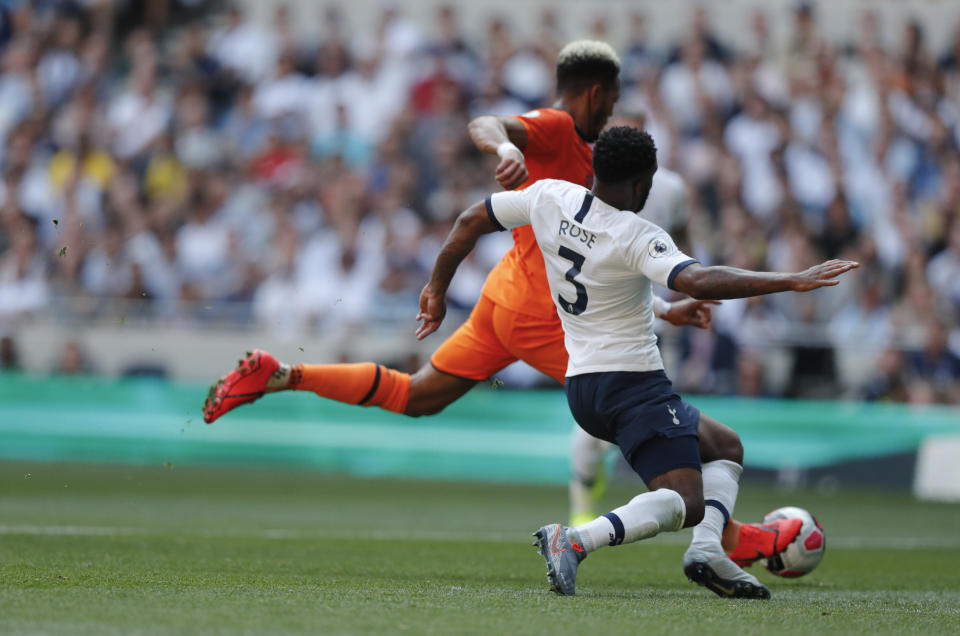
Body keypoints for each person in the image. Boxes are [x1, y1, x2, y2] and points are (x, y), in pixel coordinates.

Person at [201, 40, 791, 567]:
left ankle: (283, 375)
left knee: (418, 395)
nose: (612, 110)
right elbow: (486, 123)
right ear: (595, 94)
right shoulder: (561, 128)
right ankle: (732, 540)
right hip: (549, 322)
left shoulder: (579, 163)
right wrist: (504, 146)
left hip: (505, 299)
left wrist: (662, 311)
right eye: (610, 100)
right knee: (666, 433)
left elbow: (590, 271)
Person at [414, 126, 857, 598]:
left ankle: (707, 550)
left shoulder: (548, 197)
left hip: (583, 385)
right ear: (643, 184)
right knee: (687, 502)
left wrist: (437, 290)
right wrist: (791, 279)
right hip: (633, 383)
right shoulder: (637, 233)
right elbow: (701, 280)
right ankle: (575, 541)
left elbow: (468, 221)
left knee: (725, 446)